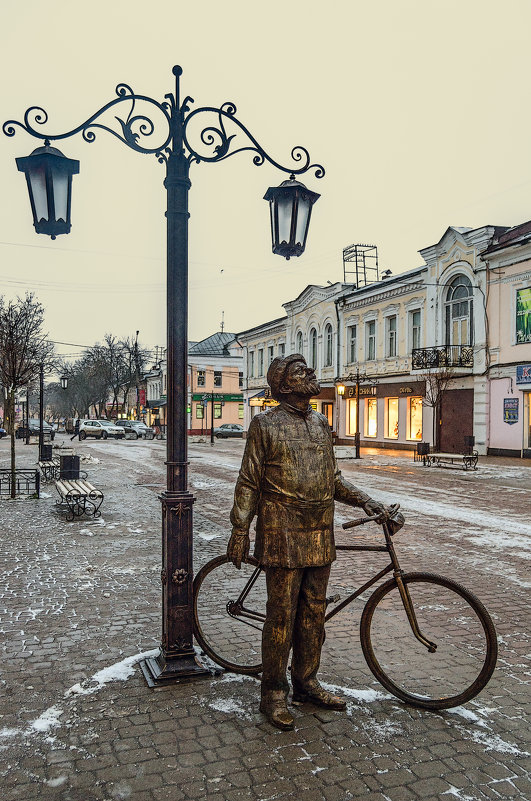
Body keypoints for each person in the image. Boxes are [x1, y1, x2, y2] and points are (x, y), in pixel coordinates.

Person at [227, 354, 404, 730]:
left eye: (308, 368)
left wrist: (367, 501)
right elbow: (248, 482)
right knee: (281, 617)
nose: (310, 374)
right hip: (282, 533)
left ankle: (306, 683)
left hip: (319, 531)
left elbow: (333, 479)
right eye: (300, 371)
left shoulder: (321, 423)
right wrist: (240, 530)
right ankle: (272, 693)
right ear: (284, 385)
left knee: (313, 615)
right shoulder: (265, 424)